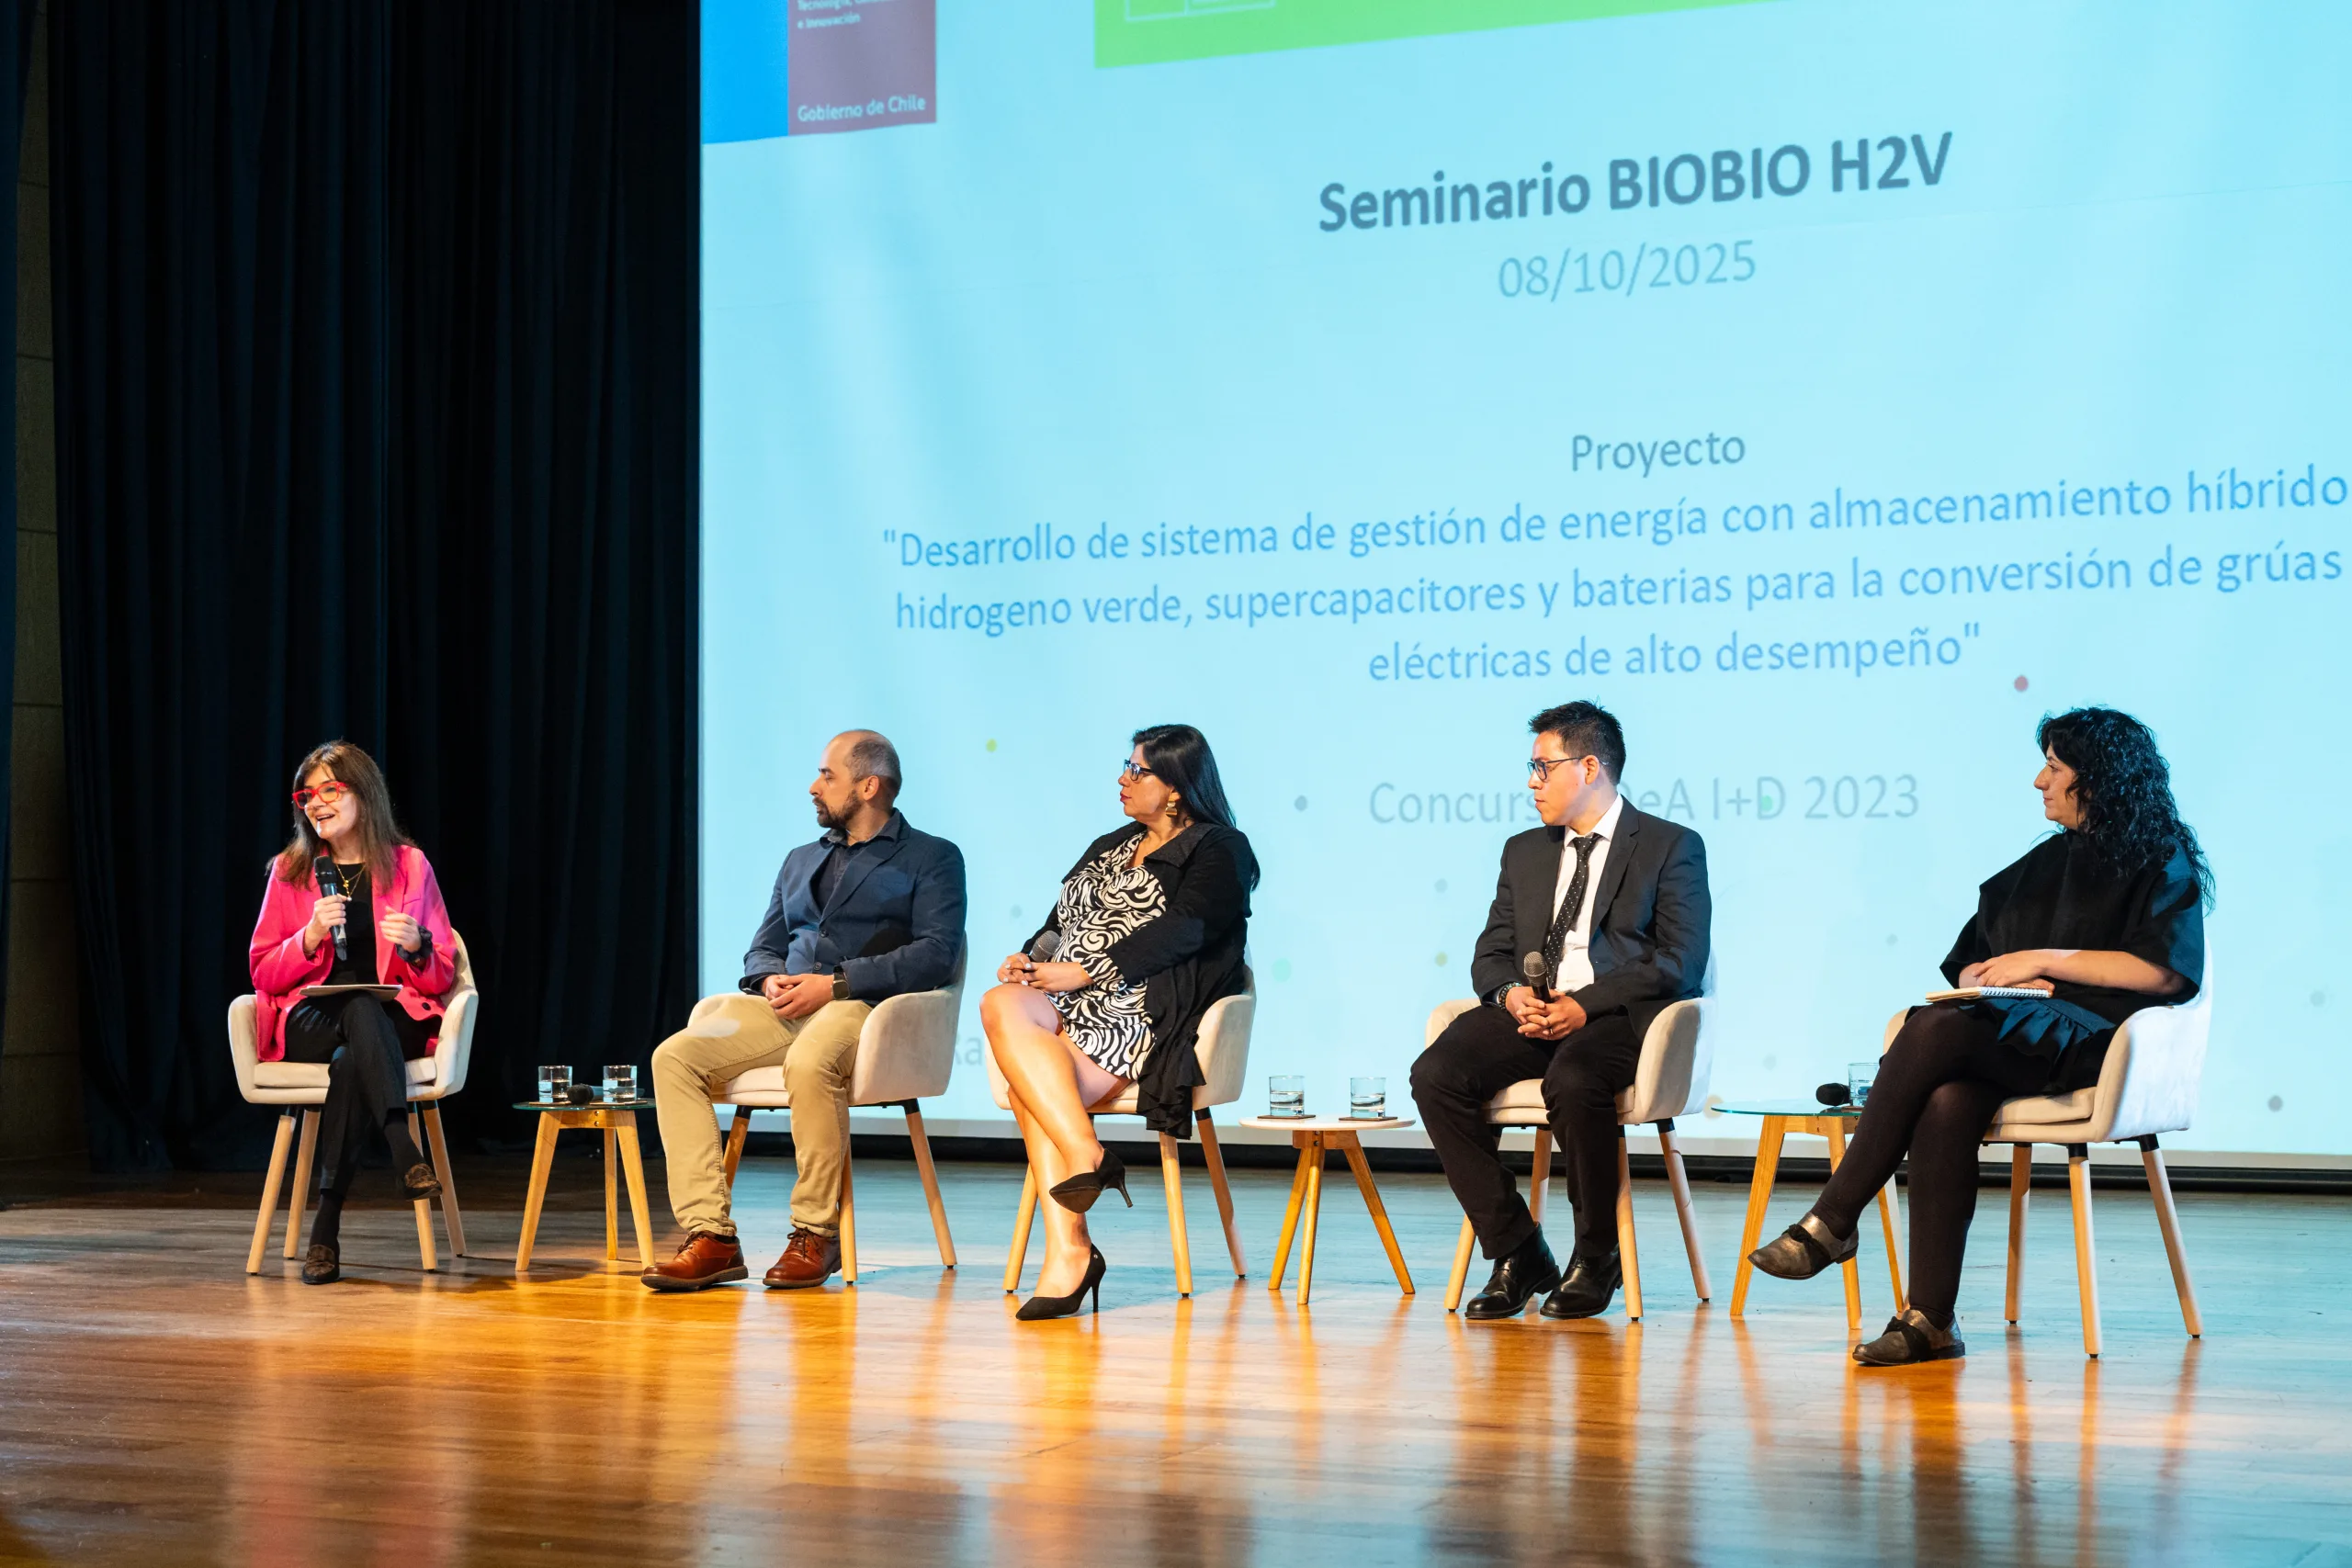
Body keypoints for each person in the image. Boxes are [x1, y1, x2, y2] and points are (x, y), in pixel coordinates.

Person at [1748, 707, 2208, 1366]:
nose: (2039, 781)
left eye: (2054, 767)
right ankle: (1930, 1320)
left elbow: (2163, 971)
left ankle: (1834, 1218)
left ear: (2097, 777)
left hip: (2100, 1044)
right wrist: (1989, 976)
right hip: (2024, 1035)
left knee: (1930, 1025)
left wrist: (2043, 960)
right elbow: (1970, 959)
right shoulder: (2045, 860)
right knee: (1946, 1099)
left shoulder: (2160, 858)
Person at [1410, 701, 1712, 1322]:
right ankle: (1517, 1249)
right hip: (1535, 1010)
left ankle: (1597, 1255)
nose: (1532, 783)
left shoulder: (1669, 846)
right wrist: (1508, 994)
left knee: (1574, 1079)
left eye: (1542, 767)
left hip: (1619, 1017)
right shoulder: (1524, 851)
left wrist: (1584, 1004)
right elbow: (1492, 952)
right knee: (1435, 1073)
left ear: (1590, 767)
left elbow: (1680, 961)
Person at [642, 731, 966, 1292]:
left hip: (866, 1007)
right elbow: (763, 947)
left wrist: (836, 984)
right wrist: (769, 978)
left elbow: (936, 954)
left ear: (869, 786)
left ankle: (816, 1232)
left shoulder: (931, 856)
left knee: (811, 1061)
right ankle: (712, 1237)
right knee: (674, 1057)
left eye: (827, 775)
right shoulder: (800, 859)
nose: (814, 787)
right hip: (785, 1006)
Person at [981, 724, 1257, 1321]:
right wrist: (1028, 958)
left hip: (1141, 1005)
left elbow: (1186, 928)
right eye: (1126, 767)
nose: (1122, 779)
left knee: (1031, 1089)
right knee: (999, 999)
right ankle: (1086, 1152)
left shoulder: (1220, 848)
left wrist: (1087, 970)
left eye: (1138, 770)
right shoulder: (1110, 844)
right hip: (1064, 996)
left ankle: (1070, 1253)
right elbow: (1060, 923)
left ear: (1177, 786)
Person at [246, 741, 460, 1285]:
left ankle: (326, 1227)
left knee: (353, 1055)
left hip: (392, 1022)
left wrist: (418, 946)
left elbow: (441, 977)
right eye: (306, 795)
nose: (316, 803)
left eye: (330, 790)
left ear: (364, 793)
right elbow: (263, 972)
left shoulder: (409, 865)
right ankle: (400, 1143)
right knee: (355, 1008)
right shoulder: (291, 871)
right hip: (312, 1021)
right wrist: (308, 936)